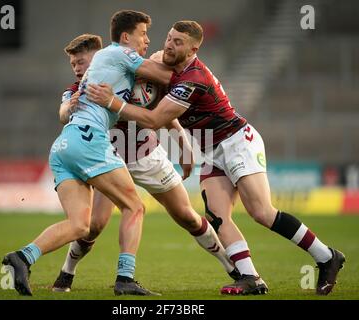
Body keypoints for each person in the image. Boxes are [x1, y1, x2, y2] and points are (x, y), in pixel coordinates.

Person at [87, 20, 346, 296]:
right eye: (169, 38)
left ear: (193, 49)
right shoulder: (163, 60)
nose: (169, 45)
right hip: (211, 150)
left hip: (236, 142)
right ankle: (250, 278)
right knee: (218, 217)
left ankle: (327, 256)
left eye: (178, 42)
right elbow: (150, 69)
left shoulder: (193, 80)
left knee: (261, 212)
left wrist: (112, 102)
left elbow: (153, 120)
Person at [1, 10, 177, 297]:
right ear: (125, 37)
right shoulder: (120, 52)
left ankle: (22, 258)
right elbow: (164, 75)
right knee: (135, 207)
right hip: (89, 140)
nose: (146, 39)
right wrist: (181, 61)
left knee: (80, 225)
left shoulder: (102, 67)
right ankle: (125, 278)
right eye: (143, 33)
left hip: (64, 146)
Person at [51, 33, 241, 293]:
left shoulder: (135, 74)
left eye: (81, 63)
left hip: (146, 155)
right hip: (107, 157)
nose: (77, 70)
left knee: (187, 216)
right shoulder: (80, 90)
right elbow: (63, 112)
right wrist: (67, 109)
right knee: (94, 225)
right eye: (73, 65)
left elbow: (164, 112)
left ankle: (233, 268)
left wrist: (183, 146)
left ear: (100, 56)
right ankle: (67, 273)